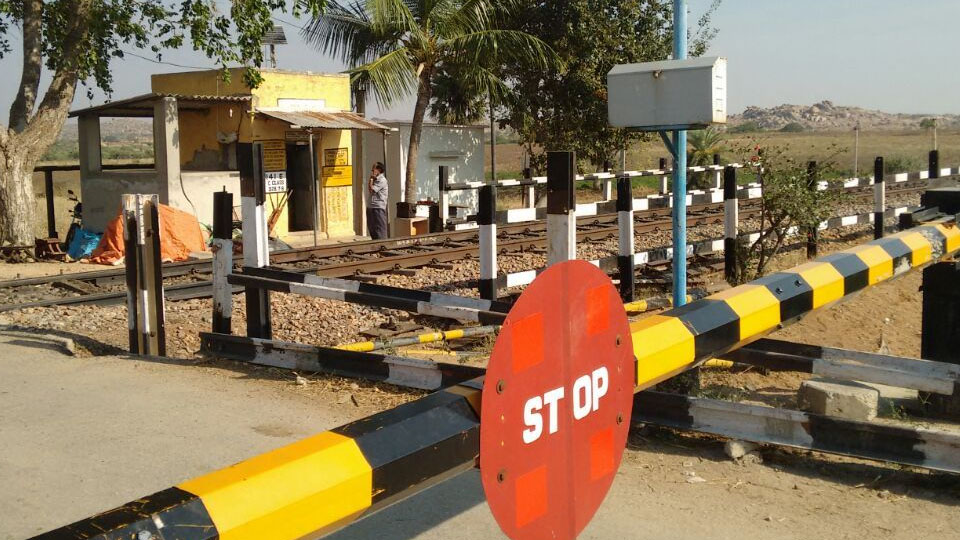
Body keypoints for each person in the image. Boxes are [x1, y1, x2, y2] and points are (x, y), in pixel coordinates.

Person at [366, 162, 389, 240]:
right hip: (371, 206)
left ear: (379, 170)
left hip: (378, 207)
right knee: (372, 228)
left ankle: (382, 244)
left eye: (374, 169)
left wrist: (371, 179)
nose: (372, 171)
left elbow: (371, 189)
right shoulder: (376, 179)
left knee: (380, 228)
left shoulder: (382, 180)